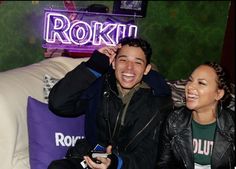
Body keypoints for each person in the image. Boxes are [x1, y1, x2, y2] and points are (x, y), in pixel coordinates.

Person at [47, 37, 173, 169]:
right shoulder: (100, 85)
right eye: (123, 60)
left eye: (137, 62)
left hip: (125, 165)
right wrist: (94, 65)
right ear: (114, 63)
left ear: (147, 69)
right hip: (94, 157)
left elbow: (149, 156)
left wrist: (115, 163)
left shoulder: (158, 102)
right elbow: (58, 104)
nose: (129, 68)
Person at [156, 62, 235, 169]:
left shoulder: (232, 125)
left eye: (201, 83)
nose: (190, 86)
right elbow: (163, 164)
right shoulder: (173, 121)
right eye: (190, 80)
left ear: (218, 94)